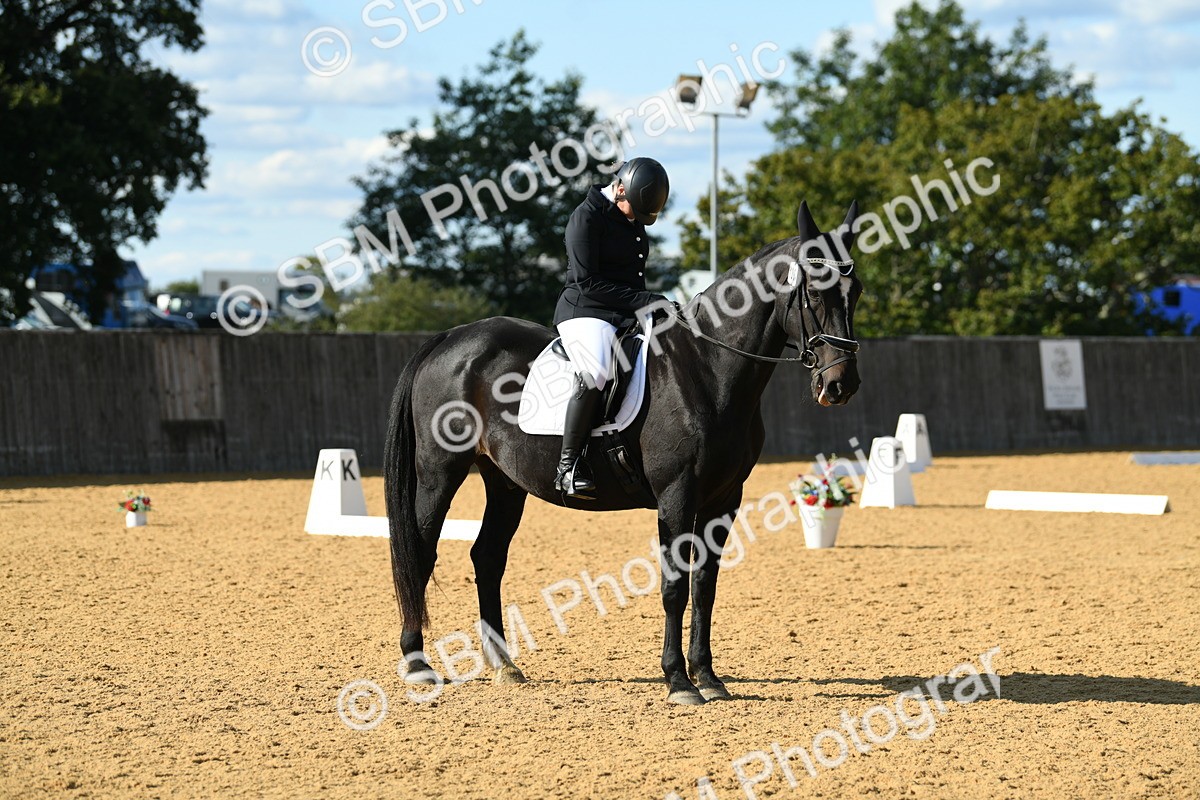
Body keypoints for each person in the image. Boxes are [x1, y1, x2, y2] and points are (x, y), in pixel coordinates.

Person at [551, 157, 670, 499]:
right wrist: (645, 300)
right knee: (597, 370)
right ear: (619, 189)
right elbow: (588, 284)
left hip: (625, 312)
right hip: (586, 311)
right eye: (634, 209)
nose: (637, 219)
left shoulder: (630, 214)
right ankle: (568, 467)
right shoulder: (585, 219)